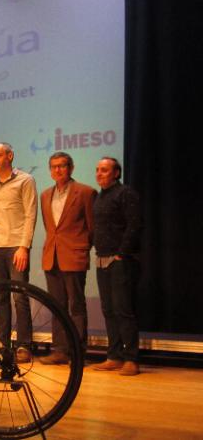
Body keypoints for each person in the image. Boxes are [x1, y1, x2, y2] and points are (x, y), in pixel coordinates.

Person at [39, 152, 97, 365]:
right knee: (57, 305)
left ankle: (77, 352)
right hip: (51, 256)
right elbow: (50, 228)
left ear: (71, 168)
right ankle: (60, 350)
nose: (58, 170)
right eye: (54, 166)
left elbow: (92, 227)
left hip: (74, 255)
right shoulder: (45, 194)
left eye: (62, 166)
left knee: (76, 306)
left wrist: (81, 247)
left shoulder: (86, 192)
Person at [0, 142, 37, 363]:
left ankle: (24, 345)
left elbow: (30, 215)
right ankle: (2, 345)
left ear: (10, 156)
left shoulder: (25, 180)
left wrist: (24, 246)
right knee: (0, 297)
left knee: (19, 296)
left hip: (16, 245)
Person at [92, 157, 142, 376]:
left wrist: (122, 254)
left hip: (121, 260)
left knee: (123, 310)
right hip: (102, 259)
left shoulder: (125, 193)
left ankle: (131, 359)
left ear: (116, 173)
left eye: (104, 170)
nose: (99, 173)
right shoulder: (100, 196)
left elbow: (135, 224)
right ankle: (114, 356)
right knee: (108, 310)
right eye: (97, 170)